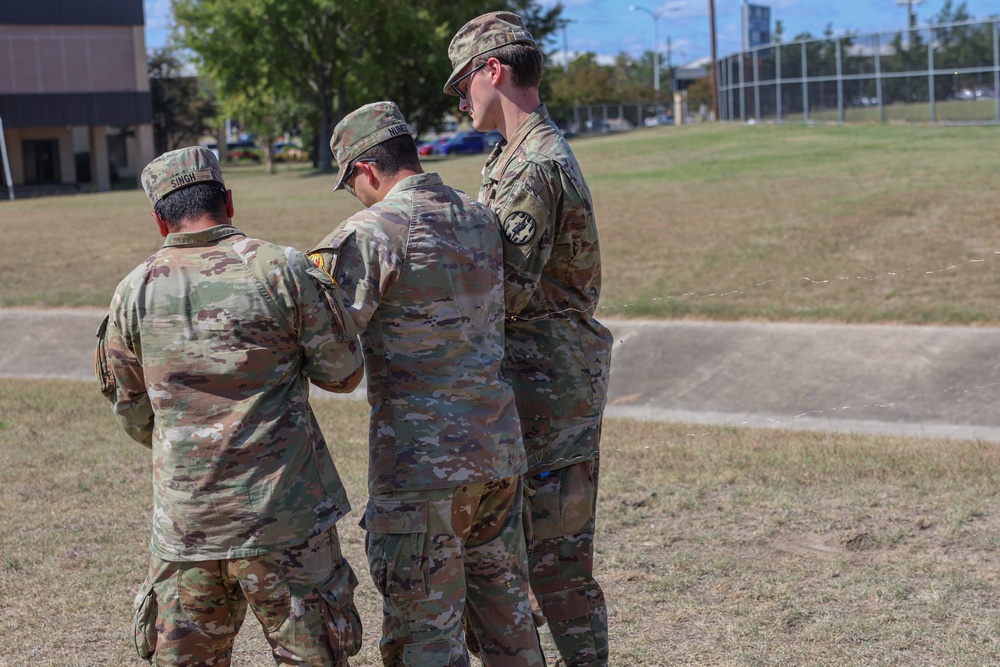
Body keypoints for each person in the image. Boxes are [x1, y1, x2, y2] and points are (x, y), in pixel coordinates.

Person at [95, 146, 366, 667]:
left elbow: (132, 414)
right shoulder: (281, 267)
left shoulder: (132, 291)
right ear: (229, 202)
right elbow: (343, 372)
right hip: (284, 522)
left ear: (159, 220)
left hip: (187, 528)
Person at [306, 101, 542, 667]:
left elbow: (330, 355)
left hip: (423, 472)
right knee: (508, 624)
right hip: (498, 454)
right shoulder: (478, 216)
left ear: (366, 170)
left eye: (352, 184)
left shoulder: (372, 230)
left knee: (425, 640)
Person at [444, 12, 614, 666]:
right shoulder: (516, 156)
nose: (463, 99)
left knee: (557, 573)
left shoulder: (533, 165)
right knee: (529, 566)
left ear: (495, 71)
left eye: (465, 82)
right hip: (536, 392)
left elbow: (501, 292)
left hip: (548, 400)